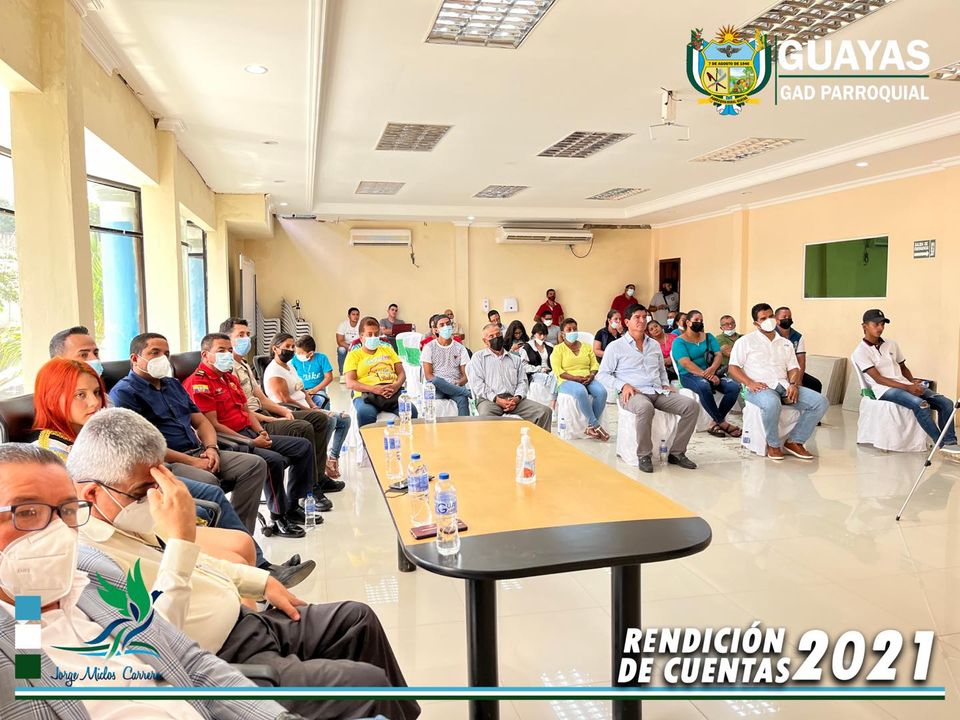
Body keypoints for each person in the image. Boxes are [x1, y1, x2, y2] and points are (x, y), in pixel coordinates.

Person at [66, 412, 420, 720]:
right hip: (224, 660)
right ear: (93, 494)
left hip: (248, 623)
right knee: (367, 684)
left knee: (357, 618)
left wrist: (260, 582)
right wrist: (181, 542)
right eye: (145, 488)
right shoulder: (88, 562)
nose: (156, 496)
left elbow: (201, 564)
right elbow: (155, 647)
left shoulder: (127, 514)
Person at [0, 444, 300, 720]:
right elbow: (30, 674)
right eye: (27, 512)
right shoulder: (24, 622)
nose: (56, 532)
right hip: (236, 644)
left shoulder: (84, 575)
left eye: (67, 511)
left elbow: (183, 658)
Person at [29, 357, 313, 585]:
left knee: (222, 506)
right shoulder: (50, 458)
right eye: (80, 395)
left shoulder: (96, 428)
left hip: (145, 492)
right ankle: (253, 579)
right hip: (127, 520)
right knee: (225, 540)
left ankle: (261, 573)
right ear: (54, 398)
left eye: (95, 393)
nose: (94, 402)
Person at [110, 332, 269, 534]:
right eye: (155, 353)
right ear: (135, 358)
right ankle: (225, 539)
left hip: (199, 451)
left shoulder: (173, 384)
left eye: (166, 354)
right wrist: (192, 462)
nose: (162, 358)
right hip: (166, 462)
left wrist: (211, 448)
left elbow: (201, 422)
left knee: (254, 465)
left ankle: (239, 534)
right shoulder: (124, 393)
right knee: (208, 481)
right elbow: (144, 447)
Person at [183, 333, 322, 535]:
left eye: (229, 350)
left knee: (302, 446)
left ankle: (293, 506)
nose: (227, 354)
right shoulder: (199, 383)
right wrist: (250, 441)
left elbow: (246, 411)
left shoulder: (229, 378)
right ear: (205, 355)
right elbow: (211, 425)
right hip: (230, 441)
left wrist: (261, 432)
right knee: (273, 460)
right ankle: (278, 517)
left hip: (249, 432)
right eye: (221, 351)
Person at [220, 317, 348, 486]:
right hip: (255, 420)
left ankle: (319, 477)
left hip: (265, 412)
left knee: (321, 418)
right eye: (241, 335)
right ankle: (309, 488)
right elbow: (244, 410)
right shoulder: (228, 370)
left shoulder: (243, 364)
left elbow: (263, 399)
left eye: (248, 334)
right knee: (305, 426)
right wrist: (275, 417)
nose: (246, 339)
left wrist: (285, 412)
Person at [598, 303, 699, 473]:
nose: (642, 320)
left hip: (657, 391)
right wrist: (623, 385)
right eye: (637, 317)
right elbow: (602, 374)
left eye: (645, 317)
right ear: (627, 322)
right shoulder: (615, 347)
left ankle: (677, 452)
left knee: (691, 406)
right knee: (645, 407)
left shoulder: (653, 344)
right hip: (633, 394)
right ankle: (644, 455)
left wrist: (665, 384)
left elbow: (661, 369)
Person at [727, 303, 830, 461]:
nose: (768, 320)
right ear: (756, 323)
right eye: (763, 318)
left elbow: (793, 368)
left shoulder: (785, 343)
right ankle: (773, 445)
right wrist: (749, 383)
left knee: (820, 402)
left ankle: (795, 441)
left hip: (784, 385)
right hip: (758, 388)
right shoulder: (745, 341)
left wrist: (794, 384)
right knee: (771, 403)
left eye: (770, 316)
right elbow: (733, 368)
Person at [852, 308, 959, 454]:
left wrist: (912, 382)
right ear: (864, 326)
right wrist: (907, 387)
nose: (880, 328)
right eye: (876, 324)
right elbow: (878, 378)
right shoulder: (860, 352)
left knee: (946, 403)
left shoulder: (891, 344)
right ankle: (941, 445)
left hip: (904, 384)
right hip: (884, 390)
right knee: (921, 405)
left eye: (883, 324)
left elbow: (903, 367)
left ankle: (951, 442)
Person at [467, 323, 552, 429]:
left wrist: (517, 398)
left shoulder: (515, 359)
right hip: (489, 401)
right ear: (485, 341)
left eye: (498, 334)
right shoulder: (478, 358)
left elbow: (522, 381)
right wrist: (497, 400)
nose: (496, 338)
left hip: (514, 400)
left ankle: (539, 440)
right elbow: (477, 384)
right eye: (491, 336)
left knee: (544, 412)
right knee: (486, 418)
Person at [672, 310, 742, 438]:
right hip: (689, 375)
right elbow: (686, 363)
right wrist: (707, 375)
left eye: (701, 320)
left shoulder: (709, 337)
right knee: (704, 386)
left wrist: (713, 369)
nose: (699, 323)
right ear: (688, 322)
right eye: (696, 320)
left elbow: (718, 355)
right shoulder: (679, 342)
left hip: (711, 372)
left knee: (734, 387)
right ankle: (722, 423)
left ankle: (714, 422)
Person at [345, 317, 417, 427]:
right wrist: (374, 389)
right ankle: (368, 439)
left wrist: (396, 386)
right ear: (361, 337)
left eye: (376, 334)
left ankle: (408, 437)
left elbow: (401, 373)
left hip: (392, 392)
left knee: (412, 411)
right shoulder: (354, 355)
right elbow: (350, 382)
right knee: (365, 414)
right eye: (369, 334)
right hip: (367, 394)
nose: (373, 337)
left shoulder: (388, 350)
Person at [552, 319, 609, 440]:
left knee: (602, 392)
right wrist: (575, 378)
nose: (573, 331)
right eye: (569, 329)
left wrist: (592, 375)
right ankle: (596, 425)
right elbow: (558, 371)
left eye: (575, 329)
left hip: (587, 378)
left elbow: (595, 364)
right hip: (566, 381)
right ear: (562, 333)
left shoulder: (587, 347)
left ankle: (590, 427)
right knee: (580, 391)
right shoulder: (558, 349)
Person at [422, 314, 471, 416]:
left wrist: (458, 383)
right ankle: (468, 393)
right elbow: (428, 376)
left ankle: (464, 425)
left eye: (448, 324)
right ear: (436, 330)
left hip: (455, 384)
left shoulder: (460, 348)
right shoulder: (429, 347)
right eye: (442, 325)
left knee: (463, 400)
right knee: (436, 380)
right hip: (437, 387)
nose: (446, 327)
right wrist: (445, 384)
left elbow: (466, 375)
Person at [775, 306, 823, 394]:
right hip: (777, 372)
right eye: (784, 317)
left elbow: (801, 361)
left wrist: (798, 380)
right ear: (776, 320)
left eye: (789, 317)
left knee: (815, 384)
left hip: (793, 371)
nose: (787, 319)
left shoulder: (797, 336)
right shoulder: (771, 335)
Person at [291, 334, 333, 409]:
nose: (297, 355)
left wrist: (314, 390)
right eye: (296, 353)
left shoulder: (321, 358)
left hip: (318, 390)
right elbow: (291, 375)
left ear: (310, 353)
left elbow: (329, 377)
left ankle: (326, 415)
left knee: (322, 400)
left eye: (300, 353)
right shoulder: (295, 360)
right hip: (301, 390)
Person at [521, 322, 558, 406]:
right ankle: (553, 400)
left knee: (555, 374)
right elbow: (523, 366)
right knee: (551, 378)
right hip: (535, 374)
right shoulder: (527, 347)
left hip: (550, 372)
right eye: (540, 334)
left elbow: (555, 361)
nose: (542, 337)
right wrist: (539, 369)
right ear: (534, 334)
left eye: (544, 334)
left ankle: (553, 400)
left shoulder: (550, 346)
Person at [336, 306, 362, 380]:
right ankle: (342, 374)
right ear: (348, 316)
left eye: (357, 314)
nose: (355, 316)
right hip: (346, 346)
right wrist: (350, 347)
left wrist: (355, 347)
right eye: (353, 314)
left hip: (358, 345)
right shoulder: (343, 325)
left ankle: (359, 374)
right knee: (341, 350)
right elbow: (340, 341)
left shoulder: (361, 325)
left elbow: (364, 338)